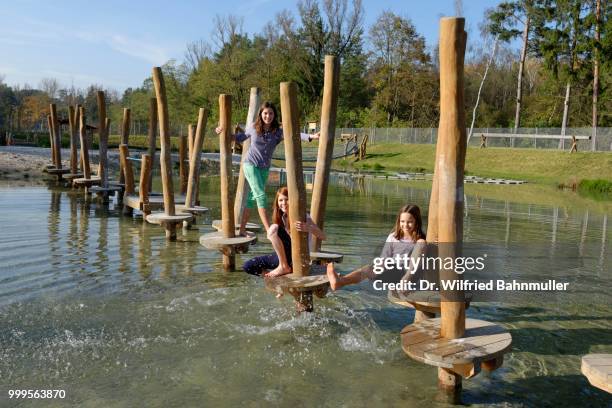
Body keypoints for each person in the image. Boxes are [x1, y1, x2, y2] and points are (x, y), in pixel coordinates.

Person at [215, 101, 318, 236]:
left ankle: (241, 230)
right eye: (265, 113)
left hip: (264, 169)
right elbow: (239, 137)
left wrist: (311, 136)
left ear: (274, 115)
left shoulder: (277, 132)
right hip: (250, 165)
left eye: (270, 113)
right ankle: (269, 230)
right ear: (261, 114)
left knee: (252, 199)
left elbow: (294, 135)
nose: (268, 116)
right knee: (261, 196)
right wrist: (221, 132)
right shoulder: (254, 127)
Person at [326, 204, 426, 291]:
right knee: (367, 269)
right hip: (394, 273)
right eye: (402, 221)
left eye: (410, 222)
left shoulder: (421, 239)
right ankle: (340, 282)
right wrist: (375, 269)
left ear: (416, 221)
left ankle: (405, 281)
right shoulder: (393, 237)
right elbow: (384, 259)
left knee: (421, 243)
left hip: (411, 275)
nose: (405, 225)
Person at [243, 186, 326, 277]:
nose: (283, 203)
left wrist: (309, 228)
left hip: (298, 257)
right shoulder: (282, 217)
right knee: (248, 266)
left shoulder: (303, 217)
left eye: (287, 199)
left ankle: (283, 267)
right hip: (284, 257)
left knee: (273, 228)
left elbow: (323, 236)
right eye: (280, 200)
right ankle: (274, 278)